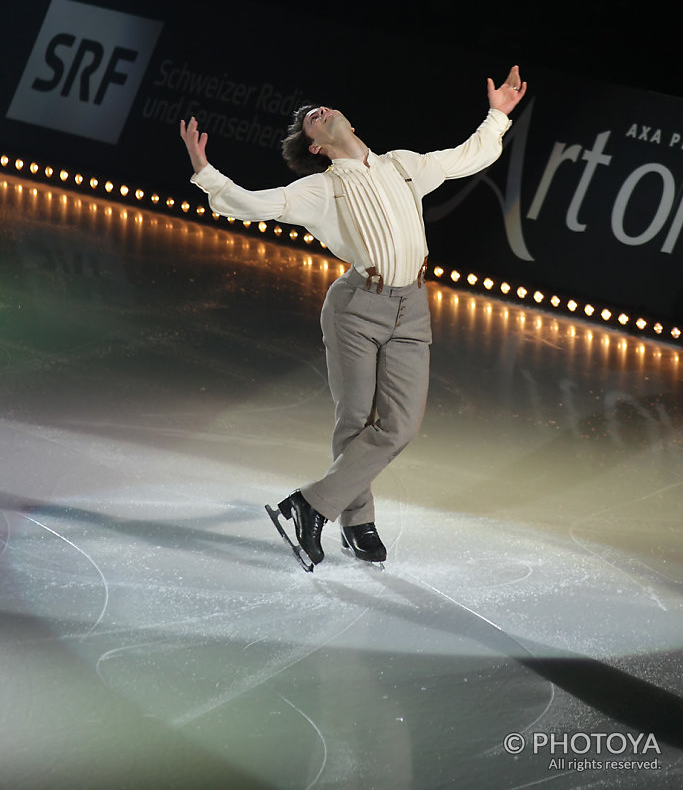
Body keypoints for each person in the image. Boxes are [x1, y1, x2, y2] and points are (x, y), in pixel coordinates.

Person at [180, 66, 526, 567]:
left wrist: (497, 115)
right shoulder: (319, 190)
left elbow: (462, 159)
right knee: (356, 419)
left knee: (400, 425)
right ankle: (357, 521)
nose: (314, 115)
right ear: (315, 146)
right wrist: (204, 171)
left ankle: (308, 504)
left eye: (319, 110)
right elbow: (255, 204)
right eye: (308, 123)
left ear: (347, 120)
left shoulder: (403, 165)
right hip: (355, 309)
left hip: (412, 307)